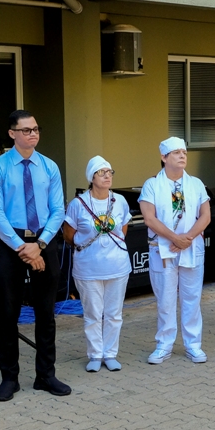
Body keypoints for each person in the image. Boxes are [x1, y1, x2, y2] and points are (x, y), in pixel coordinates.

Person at [0, 110, 70, 402]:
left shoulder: (49, 166)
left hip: (44, 240)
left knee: (46, 313)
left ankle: (46, 375)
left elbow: (58, 209)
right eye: (26, 130)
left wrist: (41, 244)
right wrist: (22, 247)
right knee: (8, 313)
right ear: (12, 133)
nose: (32, 134)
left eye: (36, 129)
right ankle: (10, 378)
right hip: (11, 244)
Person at [139, 137, 211, 364]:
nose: (182, 156)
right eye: (177, 152)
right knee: (166, 299)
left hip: (191, 248)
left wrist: (186, 239)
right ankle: (164, 344)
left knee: (192, 298)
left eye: (184, 152)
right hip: (163, 250)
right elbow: (149, 219)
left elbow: (206, 215)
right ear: (164, 157)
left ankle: (193, 345)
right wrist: (174, 238)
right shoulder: (152, 185)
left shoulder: (196, 184)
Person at [63, 156, 131, 372]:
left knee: (114, 313)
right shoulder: (78, 204)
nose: (107, 176)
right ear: (91, 177)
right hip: (88, 268)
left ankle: (110, 354)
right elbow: (68, 234)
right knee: (93, 314)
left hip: (117, 266)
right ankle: (94, 354)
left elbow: (123, 228)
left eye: (110, 172)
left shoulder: (119, 200)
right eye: (102, 172)